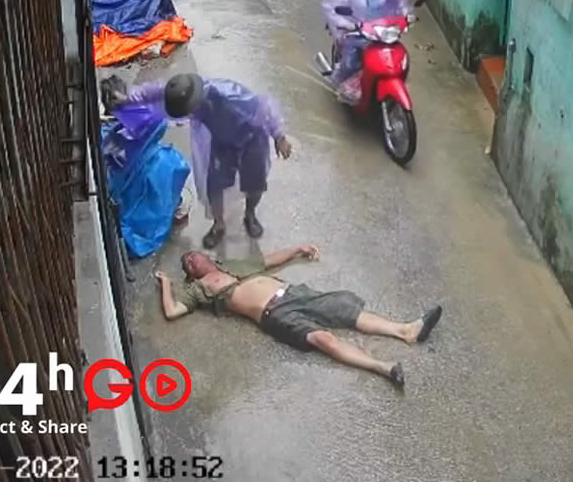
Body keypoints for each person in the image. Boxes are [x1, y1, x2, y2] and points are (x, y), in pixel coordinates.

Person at [155, 246, 443, 389]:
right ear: (190, 274)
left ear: (208, 257)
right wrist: (166, 283)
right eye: (188, 263)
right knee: (323, 339)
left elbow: (268, 260)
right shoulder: (198, 290)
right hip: (274, 313)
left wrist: (298, 248)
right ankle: (385, 367)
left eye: (193, 255)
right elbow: (172, 311)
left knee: (346, 310)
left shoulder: (231, 265)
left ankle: (406, 330)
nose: (192, 259)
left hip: (293, 293)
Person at [116, 73, 292, 248]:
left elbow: (265, 105)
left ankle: (250, 214)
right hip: (222, 142)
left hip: (252, 139)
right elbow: (153, 92)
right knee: (215, 186)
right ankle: (218, 224)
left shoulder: (230, 96)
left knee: (254, 184)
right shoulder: (182, 92)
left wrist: (279, 135)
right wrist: (127, 98)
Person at [320, 0, 413, 97]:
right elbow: (330, 6)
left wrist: (407, 16)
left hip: (383, 30)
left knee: (400, 59)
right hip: (355, 30)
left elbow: (401, 2)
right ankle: (337, 80)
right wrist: (346, 23)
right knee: (350, 63)